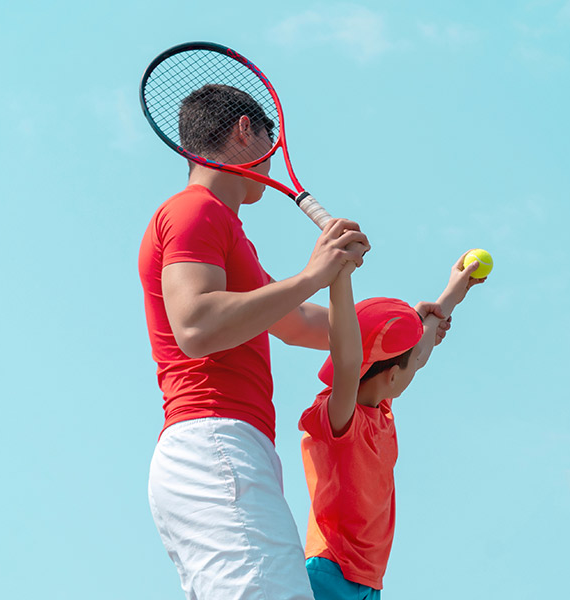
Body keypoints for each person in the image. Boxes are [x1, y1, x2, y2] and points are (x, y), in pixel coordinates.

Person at [139, 83, 370, 600]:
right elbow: (197, 325)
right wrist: (315, 273)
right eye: (269, 135)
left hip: (225, 449)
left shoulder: (226, 229)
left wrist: (400, 323)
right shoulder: (194, 211)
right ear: (247, 129)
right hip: (216, 443)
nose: (271, 159)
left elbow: (302, 325)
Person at [298, 251, 485, 598]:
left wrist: (454, 292)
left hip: (367, 578)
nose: (419, 364)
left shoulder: (379, 401)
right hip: (332, 570)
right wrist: (341, 277)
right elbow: (349, 358)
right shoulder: (341, 415)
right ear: (392, 374)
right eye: (411, 364)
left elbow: (418, 353)